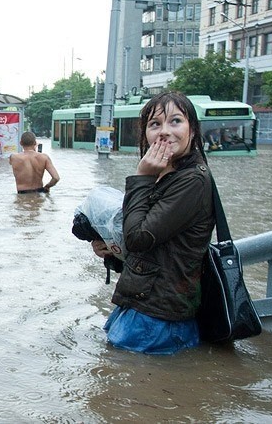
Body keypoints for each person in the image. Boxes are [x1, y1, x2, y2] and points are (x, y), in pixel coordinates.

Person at [92, 92, 214, 355]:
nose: (164, 132)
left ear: (192, 129)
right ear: (145, 133)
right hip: (142, 306)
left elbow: (139, 237)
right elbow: (149, 248)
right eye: (155, 124)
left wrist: (142, 176)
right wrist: (109, 250)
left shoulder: (192, 180)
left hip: (158, 318)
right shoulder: (167, 175)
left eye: (175, 121)